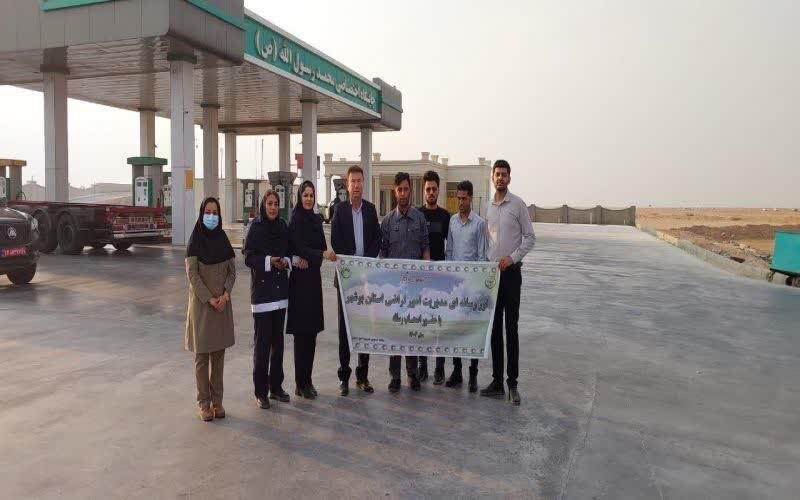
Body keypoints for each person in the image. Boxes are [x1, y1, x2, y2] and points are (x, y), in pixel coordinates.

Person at [482, 160, 535, 405]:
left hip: (512, 275)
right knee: (494, 330)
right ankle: (497, 382)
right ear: (492, 177)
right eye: (497, 174)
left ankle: (512, 384)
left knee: (510, 329)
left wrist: (512, 258)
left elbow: (530, 238)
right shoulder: (488, 207)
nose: (500, 178)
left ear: (509, 178)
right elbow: (487, 241)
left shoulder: (518, 205)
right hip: (493, 277)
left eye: (504, 174)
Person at [330, 165, 381, 396]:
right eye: (353, 181)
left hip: (366, 279)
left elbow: (376, 240)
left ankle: (363, 376)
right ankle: (344, 377)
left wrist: (364, 264)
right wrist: (352, 264)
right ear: (347, 185)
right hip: (346, 279)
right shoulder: (339, 211)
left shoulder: (371, 210)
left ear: (363, 183)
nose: (357, 185)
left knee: (364, 327)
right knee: (345, 329)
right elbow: (336, 241)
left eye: (360, 181)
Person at [184, 197, 236, 421]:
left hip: (221, 306)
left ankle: (218, 402)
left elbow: (232, 272)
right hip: (202, 307)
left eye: (215, 213)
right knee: (202, 356)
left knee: (218, 356)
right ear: (201, 213)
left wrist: (225, 295)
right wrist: (209, 299)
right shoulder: (195, 240)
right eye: (208, 212)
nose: (211, 216)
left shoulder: (223, 240)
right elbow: (192, 275)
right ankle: (204, 403)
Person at [380, 172, 430, 393]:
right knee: (395, 331)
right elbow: (382, 253)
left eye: (406, 189)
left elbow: (425, 248)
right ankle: (395, 377)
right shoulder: (388, 221)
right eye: (399, 189)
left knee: (412, 330)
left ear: (410, 190)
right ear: (395, 191)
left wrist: (426, 273)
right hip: (394, 289)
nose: (403, 193)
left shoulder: (419, 218)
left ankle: (413, 374)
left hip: (416, 286)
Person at [287, 181, 337, 400]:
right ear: (299, 197)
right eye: (305, 195)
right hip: (299, 284)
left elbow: (320, 249)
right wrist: (313, 255)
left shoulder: (316, 220)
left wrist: (313, 256)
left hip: (313, 282)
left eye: (311, 195)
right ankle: (300, 383)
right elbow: (296, 247)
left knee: (312, 334)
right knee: (301, 335)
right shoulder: (295, 220)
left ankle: (308, 380)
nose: (308, 198)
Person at [243, 190, 292, 409]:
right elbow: (248, 257)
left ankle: (276, 387)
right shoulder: (256, 227)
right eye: (270, 203)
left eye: (276, 204)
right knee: (262, 346)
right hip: (263, 296)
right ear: (264, 205)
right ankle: (261, 391)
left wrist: (286, 261)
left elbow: (290, 251)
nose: (273, 207)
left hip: (280, 295)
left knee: (278, 345)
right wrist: (268, 261)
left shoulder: (282, 226)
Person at [444, 181, 488, 392]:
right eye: (458, 198)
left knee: (471, 330)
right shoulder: (452, 221)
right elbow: (449, 251)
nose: (460, 202)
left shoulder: (479, 224)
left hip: (472, 285)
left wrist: (476, 282)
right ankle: (457, 371)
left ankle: (473, 374)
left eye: (464, 199)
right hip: (456, 286)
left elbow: (481, 255)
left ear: (471, 198)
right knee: (456, 329)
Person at [418, 170, 450, 384]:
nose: (431, 192)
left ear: (438, 191)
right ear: (423, 191)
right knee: (421, 323)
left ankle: (440, 368)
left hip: (440, 280)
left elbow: (451, 247)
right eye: (428, 189)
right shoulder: (417, 215)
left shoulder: (445, 217)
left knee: (439, 324)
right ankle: (422, 367)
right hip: (420, 280)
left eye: (434, 189)